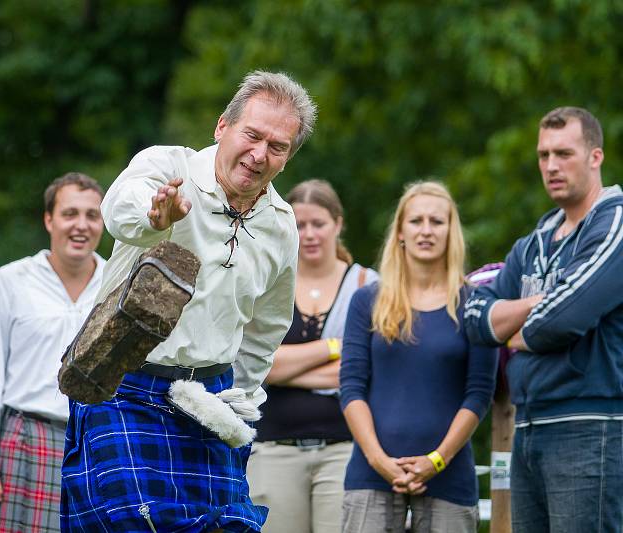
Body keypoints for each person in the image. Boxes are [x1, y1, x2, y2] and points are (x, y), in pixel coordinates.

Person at [61, 70, 317, 532]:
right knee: (139, 524)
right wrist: (155, 216)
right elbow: (122, 205)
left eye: (276, 147)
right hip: (125, 388)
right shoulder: (169, 167)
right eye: (252, 135)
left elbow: (265, 328)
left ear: (287, 159)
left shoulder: (282, 225)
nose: (259, 155)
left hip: (210, 399)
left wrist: (240, 397)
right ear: (223, 126)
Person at [464, 106, 623, 532]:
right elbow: (474, 318)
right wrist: (543, 304)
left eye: (564, 153)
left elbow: (563, 319)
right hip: (529, 425)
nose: (551, 165)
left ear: (595, 157)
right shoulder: (532, 243)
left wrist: (512, 328)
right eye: (543, 155)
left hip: (591, 426)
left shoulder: (614, 224)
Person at [340, 181, 497, 532]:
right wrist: (379, 461)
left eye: (437, 222)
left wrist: (437, 460)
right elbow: (351, 387)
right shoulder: (367, 301)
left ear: (451, 231)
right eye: (416, 221)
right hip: (372, 475)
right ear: (400, 231)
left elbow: (479, 394)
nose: (426, 230)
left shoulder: (476, 303)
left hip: (449, 476)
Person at [0, 173, 106, 533]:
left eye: (92, 215)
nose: (81, 225)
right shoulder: (11, 281)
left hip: (99, 443)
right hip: (28, 439)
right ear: (48, 220)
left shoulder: (118, 283)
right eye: (70, 213)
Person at [247, 179, 377, 533]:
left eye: (318, 224)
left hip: (346, 449)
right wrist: (334, 348)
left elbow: (367, 371)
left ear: (338, 223)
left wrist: (283, 367)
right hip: (274, 448)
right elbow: (253, 364)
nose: (309, 234)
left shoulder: (368, 285)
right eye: (300, 225)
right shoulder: (268, 283)